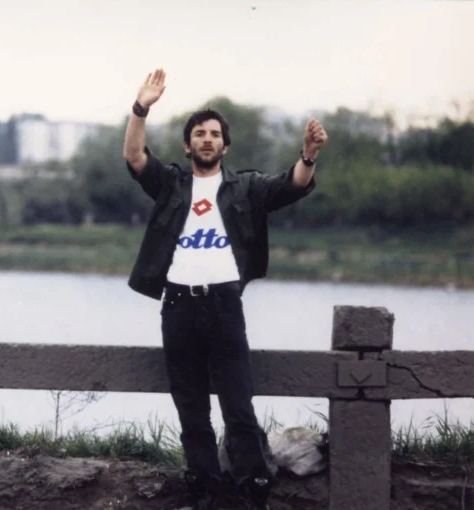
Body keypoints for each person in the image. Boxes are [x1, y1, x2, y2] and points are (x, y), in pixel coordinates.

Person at [121, 69, 328, 510]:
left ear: (225, 146)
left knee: (238, 407)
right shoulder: (171, 184)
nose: (207, 139)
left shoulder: (246, 188)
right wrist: (141, 108)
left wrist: (308, 156)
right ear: (187, 145)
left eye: (215, 134)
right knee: (191, 408)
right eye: (199, 133)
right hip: (178, 307)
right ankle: (204, 493)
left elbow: (291, 184)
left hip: (224, 306)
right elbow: (135, 157)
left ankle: (254, 492)